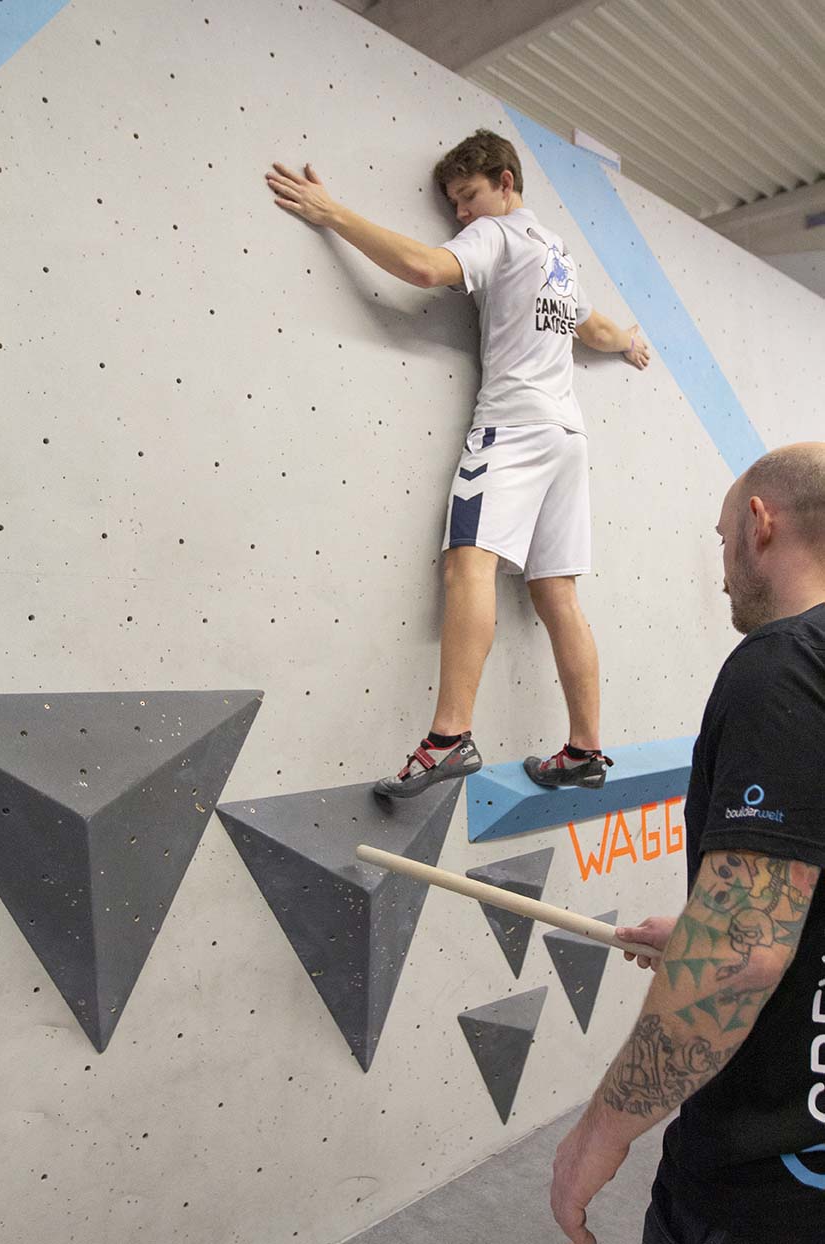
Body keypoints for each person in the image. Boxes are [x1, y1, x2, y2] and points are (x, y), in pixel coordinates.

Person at [265, 131, 649, 798]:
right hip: (567, 436)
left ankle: (448, 738)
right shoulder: (556, 252)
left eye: (468, 196)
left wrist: (333, 214)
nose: (461, 215)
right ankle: (585, 750)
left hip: (513, 425)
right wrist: (629, 346)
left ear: (505, 181)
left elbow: (421, 269)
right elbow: (595, 331)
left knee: (467, 561)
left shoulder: (496, 236)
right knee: (555, 591)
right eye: (452, 204)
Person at [550, 442, 825, 1244]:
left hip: (768, 1181)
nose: (722, 571)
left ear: (758, 523)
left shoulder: (781, 670)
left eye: (719, 542)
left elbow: (742, 959)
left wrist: (596, 1136)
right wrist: (709, 928)